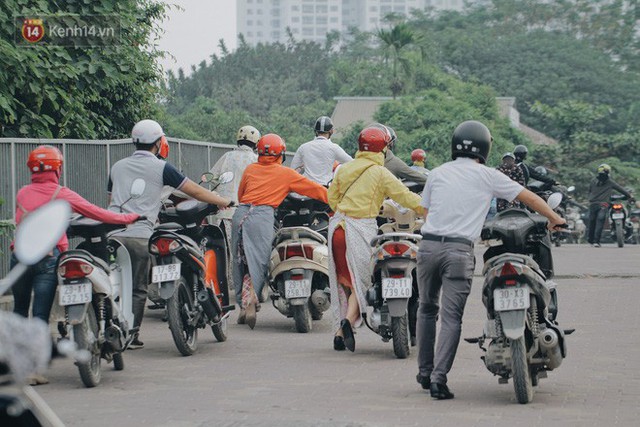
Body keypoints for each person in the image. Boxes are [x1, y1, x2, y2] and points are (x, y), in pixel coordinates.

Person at [415, 121, 565, 400]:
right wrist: (555, 218)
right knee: (450, 318)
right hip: (458, 251)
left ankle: (424, 373)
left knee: (426, 309)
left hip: (428, 246)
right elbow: (530, 197)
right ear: (484, 148)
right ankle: (438, 380)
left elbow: (425, 212)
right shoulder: (487, 175)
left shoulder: (436, 173)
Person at [11, 145, 140, 384]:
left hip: (19, 257)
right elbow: (99, 213)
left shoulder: (22, 193)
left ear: (31, 168)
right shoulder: (61, 193)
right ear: (58, 168)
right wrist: (128, 218)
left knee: (19, 312)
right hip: (48, 259)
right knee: (40, 315)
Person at [108, 119, 232, 349]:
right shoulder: (161, 167)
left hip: (113, 234)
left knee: (113, 286)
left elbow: (111, 200)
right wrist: (224, 201)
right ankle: (132, 335)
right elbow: (194, 191)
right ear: (158, 143)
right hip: (139, 235)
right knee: (137, 287)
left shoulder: (117, 167)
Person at [327, 126, 424, 352]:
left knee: (347, 283)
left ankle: (340, 331)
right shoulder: (380, 173)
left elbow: (332, 200)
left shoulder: (343, 169)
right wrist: (427, 208)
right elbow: (406, 197)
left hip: (337, 230)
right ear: (385, 147)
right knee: (364, 283)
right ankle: (346, 324)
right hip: (360, 230)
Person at [232, 133, 328, 329]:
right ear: (281, 154)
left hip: (240, 215)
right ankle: (251, 300)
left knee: (242, 262)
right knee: (260, 262)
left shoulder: (251, 169)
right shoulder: (286, 173)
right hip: (261, 216)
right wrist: (337, 201)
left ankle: (243, 307)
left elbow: (241, 194)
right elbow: (316, 190)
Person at [208, 125, 260, 284]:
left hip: (224, 213)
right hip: (247, 214)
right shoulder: (256, 160)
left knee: (224, 251)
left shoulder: (227, 156)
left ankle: (225, 282)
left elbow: (212, 177)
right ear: (256, 143)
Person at [290, 116, 352, 186]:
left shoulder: (303, 147)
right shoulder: (334, 148)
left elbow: (293, 170)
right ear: (331, 131)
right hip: (324, 189)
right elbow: (352, 163)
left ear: (315, 131)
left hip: (306, 188)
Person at [586, 163, 634, 247]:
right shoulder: (609, 181)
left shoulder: (593, 181)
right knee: (599, 221)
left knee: (592, 221)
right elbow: (621, 189)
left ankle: (591, 240)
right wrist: (629, 196)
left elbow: (589, 191)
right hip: (603, 204)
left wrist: (590, 199)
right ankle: (596, 241)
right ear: (608, 171)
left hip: (593, 203)